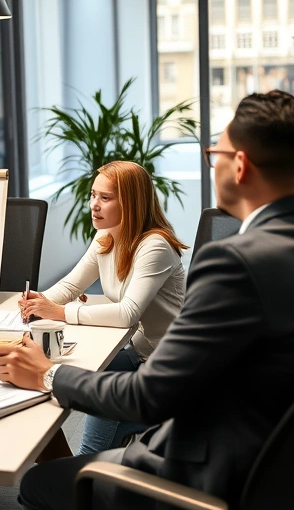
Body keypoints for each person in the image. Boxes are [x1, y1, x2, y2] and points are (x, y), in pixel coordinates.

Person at [0, 90, 294, 510]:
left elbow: (150, 397)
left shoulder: (233, 261)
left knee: (41, 487)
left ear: (240, 165)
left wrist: (48, 376)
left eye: (214, 153)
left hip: (214, 491)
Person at [19, 160, 188, 455]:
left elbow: (127, 314)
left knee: (95, 410)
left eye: (105, 198)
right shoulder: (106, 236)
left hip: (169, 367)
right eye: (93, 195)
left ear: (132, 203)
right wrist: (38, 300)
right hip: (140, 353)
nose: (93, 205)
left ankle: (82, 476)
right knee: (63, 376)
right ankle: (54, 456)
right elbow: (71, 287)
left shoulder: (155, 245)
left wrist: (59, 312)